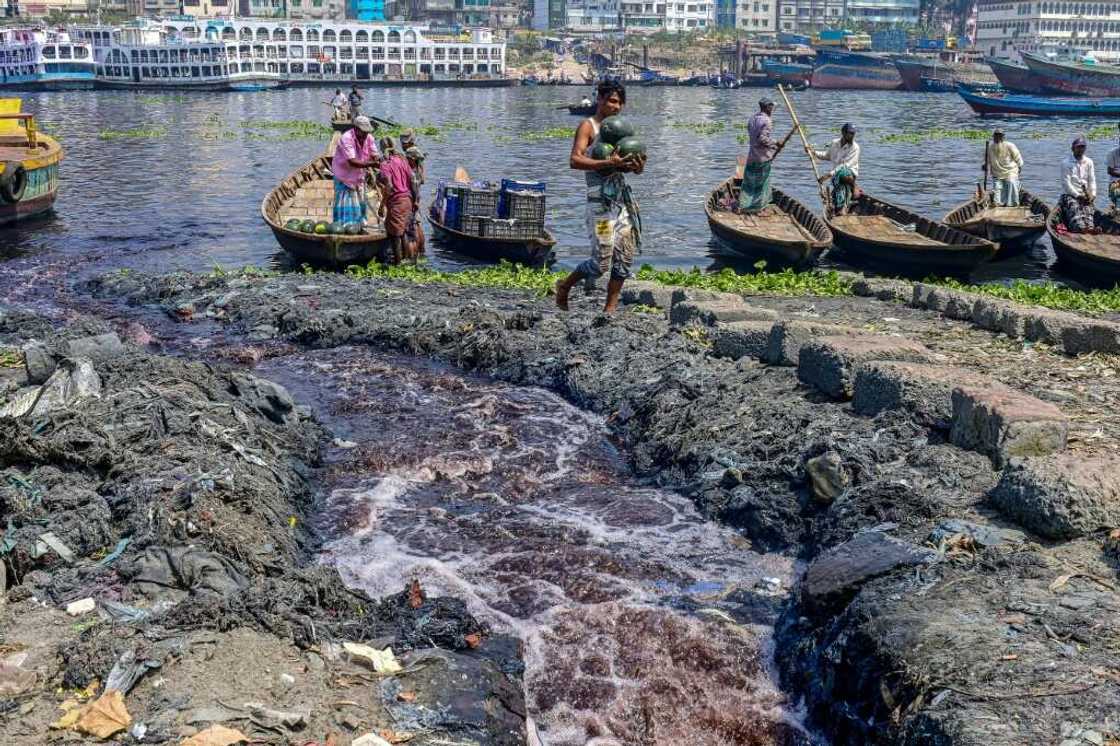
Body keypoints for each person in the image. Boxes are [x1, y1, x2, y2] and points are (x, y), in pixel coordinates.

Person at [554, 79, 646, 314]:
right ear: (600, 99)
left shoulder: (622, 132)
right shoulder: (589, 127)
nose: (615, 107)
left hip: (621, 204)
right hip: (600, 207)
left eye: (619, 103)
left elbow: (633, 169)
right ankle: (564, 286)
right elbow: (575, 160)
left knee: (624, 256)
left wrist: (636, 165)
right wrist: (608, 162)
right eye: (611, 101)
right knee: (602, 261)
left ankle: (610, 311)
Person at [330, 115, 379, 225]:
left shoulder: (369, 138)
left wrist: (379, 162)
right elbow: (352, 162)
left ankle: (360, 224)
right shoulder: (346, 138)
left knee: (360, 201)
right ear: (356, 129)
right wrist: (373, 163)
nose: (366, 134)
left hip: (359, 175)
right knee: (344, 204)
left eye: (367, 132)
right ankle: (342, 225)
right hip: (344, 176)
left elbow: (375, 154)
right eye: (363, 131)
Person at [377, 136, 418, 265]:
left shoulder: (385, 164)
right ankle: (406, 260)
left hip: (397, 201)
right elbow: (413, 180)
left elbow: (388, 187)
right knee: (402, 231)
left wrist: (382, 205)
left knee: (394, 234)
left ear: (381, 149)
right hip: (408, 200)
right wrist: (416, 200)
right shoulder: (402, 160)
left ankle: (398, 263)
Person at [740, 97, 784, 213]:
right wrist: (775, 143)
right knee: (762, 183)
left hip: (752, 156)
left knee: (750, 182)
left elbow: (754, 137)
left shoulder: (752, 119)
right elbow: (762, 139)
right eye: (772, 107)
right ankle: (757, 208)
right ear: (767, 107)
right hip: (762, 158)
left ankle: (745, 205)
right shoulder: (767, 121)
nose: (773, 109)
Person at [814, 123, 861, 214]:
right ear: (843, 133)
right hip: (836, 176)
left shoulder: (855, 147)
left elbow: (846, 165)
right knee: (840, 190)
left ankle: (854, 185)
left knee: (843, 172)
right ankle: (842, 208)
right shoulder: (835, 143)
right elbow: (827, 156)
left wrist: (829, 174)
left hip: (849, 174)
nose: (852, 136)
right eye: (850, 133)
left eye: (853, 134)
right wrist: (814, 152)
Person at [1060, 135, 1098, 233]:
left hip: (1085, 194)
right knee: (1074, 207)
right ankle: (1079, 227)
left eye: (1083, 147)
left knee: (1089, 209)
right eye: (1079, 147)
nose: (1081, 149)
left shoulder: (1089, 162)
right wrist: (1077, 195)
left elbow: (1092, 180)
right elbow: (1066, 183)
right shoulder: (1066, 163)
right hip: (1070, 194)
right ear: (1073, 148)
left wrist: (1092, 194)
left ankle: (1090, 227)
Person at [984, 128, 1023, 207]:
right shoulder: (990, 147)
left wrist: (1019, 167)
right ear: (993, 137)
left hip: (1010, 171)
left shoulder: (1010, 145)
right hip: (997, 173)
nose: (997, 138)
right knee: (997, 192)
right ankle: (999, 204)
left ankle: (1013, 204)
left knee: (1011, 182)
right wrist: (985, 165)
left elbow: (1018, 157)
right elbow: (987, 161)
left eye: (1000, 136)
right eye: (996, 136)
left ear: (1003, 137)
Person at [404, 146, 427, 261]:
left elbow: (413, 190)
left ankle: (411, 258)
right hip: (416, 202)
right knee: (417, 225)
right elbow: (422, 181)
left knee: (410, 235)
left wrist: (415, 201)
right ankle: (421, 251)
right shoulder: (418, 169)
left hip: (411, 202)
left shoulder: (410, 172)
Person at [1106, 123, 1120, 212]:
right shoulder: (1112, 153)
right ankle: (1118, 210)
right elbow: (1110, 171)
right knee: (1117, 192)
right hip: (1115, 181)